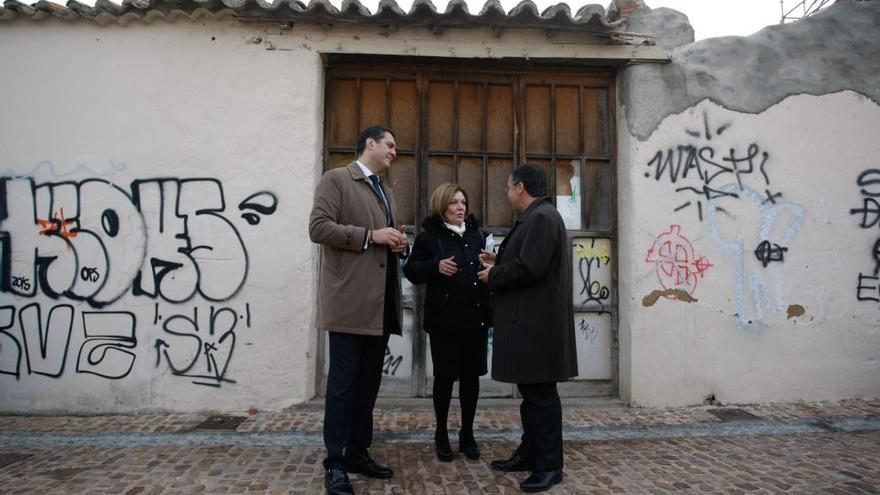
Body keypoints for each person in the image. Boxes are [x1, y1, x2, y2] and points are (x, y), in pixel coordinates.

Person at [309, 125, 409, 495]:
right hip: (350, 302)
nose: (394, 152)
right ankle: (334, 462)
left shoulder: (385, 190)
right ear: (370, 143)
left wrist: (398, 241)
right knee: (342, 386)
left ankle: (358, 451)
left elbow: (387, 237)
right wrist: (371, 237)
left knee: (368, 384)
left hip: (380, 303)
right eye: (390, 145)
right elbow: (318, 228)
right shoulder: (336, 179)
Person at [477, 163, 578, 493]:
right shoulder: (538, 218)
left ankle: (549, 465)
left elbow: (530, 268)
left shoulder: (541, 218)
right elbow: (528, 261)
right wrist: (499, 263)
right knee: (532, 395)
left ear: (520, 187)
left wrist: (495, 275)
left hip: (538, 326)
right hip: (532, 323)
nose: (506, 194)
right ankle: (530, 452)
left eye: (508, 187)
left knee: (542, 397)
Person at [403, 183, 492, 463]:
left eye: (463, 202)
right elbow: (412, 271)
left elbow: (486, 269)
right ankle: (441, 432)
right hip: (444, 320)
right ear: (442, 206)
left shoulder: (478, 235)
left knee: (471, 379)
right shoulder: (429, 237)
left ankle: (467, 433)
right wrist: (435, 267)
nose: (460, 207)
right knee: (444, 379)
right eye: (454, 203)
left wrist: (490, 266)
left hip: (474, 318)